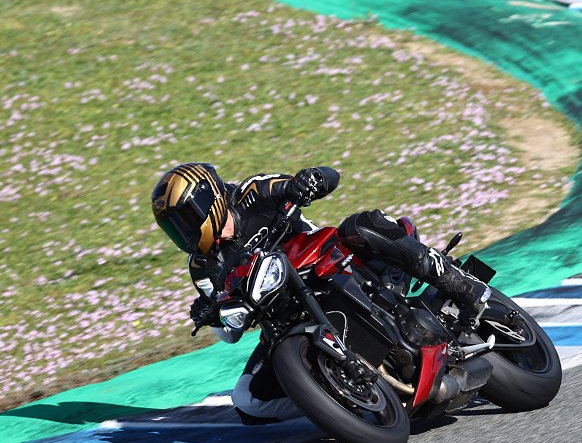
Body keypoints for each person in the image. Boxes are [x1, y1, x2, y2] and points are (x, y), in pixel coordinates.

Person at [150, 162, 490, 424]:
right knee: (247, 401)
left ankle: (460, 284)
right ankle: (337, 399)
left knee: (361, 225)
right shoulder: (202, 267)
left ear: (210, 198)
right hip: (284, 316)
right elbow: (229, 333)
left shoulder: (252, 192)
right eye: (175, 228)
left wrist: (309, 180)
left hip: (333, 265)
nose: (184, 231)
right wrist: (208, 312)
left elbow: (328, 176)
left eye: (186, 219)